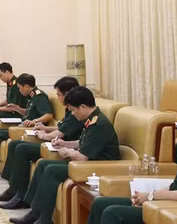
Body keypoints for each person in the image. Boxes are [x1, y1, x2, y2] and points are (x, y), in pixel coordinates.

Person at [88, 89, 177, 224]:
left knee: (113, 213)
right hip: (173, 203)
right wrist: (148, 195)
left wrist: (153, 196)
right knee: (100, 203)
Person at [13, 86, 121, 224]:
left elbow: (82, 156)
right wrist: (64, 144)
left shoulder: (98, 124)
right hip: (86, 164)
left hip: (98, 167)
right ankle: (35, 213)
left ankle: (44, 220)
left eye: (73, 110)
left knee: (51, 170)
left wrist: (67, 152)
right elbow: (81, 143)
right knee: (43, 164)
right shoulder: (91, 119)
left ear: (82, 107)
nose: (73, 114)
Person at [0, 77, 83, 208]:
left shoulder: (77, 112)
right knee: (15, 145)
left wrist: (45, 135)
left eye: (59, 95)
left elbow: (61, 133)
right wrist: (45, 128)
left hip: (61, 147)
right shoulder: (71, 109)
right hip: (57, 143)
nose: (57, 98)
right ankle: (14, 190)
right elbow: (61, 127)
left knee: (22, 149)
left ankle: (20, 195)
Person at [0, 73, 54, 179]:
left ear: (27, 86)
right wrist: (16, 108)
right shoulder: (31, 96)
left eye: (20, 88)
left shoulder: (39, 96)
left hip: (32, 129)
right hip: (24, 125)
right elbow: (27, 113)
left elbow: (48, 115)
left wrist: (34, 121)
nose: (19, 91)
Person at [0, 63, 29, 138]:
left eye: (1, 75)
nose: (0, 78)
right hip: (11, 111)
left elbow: (12, 107)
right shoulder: (9, 83)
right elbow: (9, 99)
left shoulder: (16, 84)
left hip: (16, 113)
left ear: (7, 72)